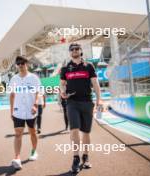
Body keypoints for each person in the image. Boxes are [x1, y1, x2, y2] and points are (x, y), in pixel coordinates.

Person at [60, 43, 101, 173]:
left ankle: (86, 156)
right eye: (72, 49)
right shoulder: (65, 68)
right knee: (74, 130)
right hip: (72, 103)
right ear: (70, 52)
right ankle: (76, 157)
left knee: (86, 133)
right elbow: (62, 84)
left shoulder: (89, 66)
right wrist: (62, 92)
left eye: (77, 49)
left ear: (81, 51)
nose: (75, 51)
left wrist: (99, 99)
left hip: (87, 102)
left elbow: (95, 83)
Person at [9, 56, 41, 170]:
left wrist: (35, 105)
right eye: (18, 63)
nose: (20, 65)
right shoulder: (14, 79)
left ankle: (33, 151)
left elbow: (38, 93)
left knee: (32, 132)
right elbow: (12, 95)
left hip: (31, 110)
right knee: (18, 134)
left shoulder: (34, 78)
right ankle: (17, 158)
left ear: (26, 64)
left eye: (22, 63)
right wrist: (11, 110)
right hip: (18, 111)